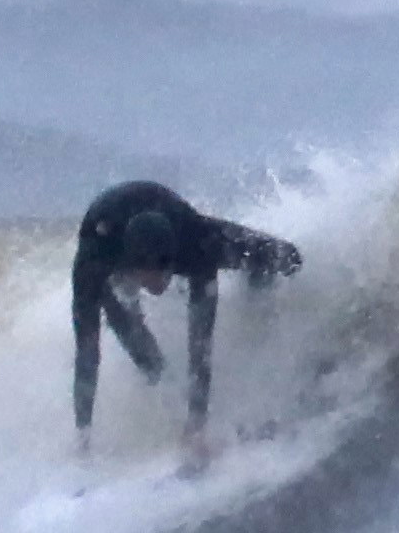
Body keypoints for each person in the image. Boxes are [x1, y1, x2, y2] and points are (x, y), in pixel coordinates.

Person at [71, 180, 301, 466]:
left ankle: (257, 323)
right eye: (149, 275)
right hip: (105, 230)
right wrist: (83, 433)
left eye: (163, 273)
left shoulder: (198, 248)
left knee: (285, 257)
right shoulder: (94, 262)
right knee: (135, 341)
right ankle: (167, 406)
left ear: (174, 263)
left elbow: (200, 339)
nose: (158, 285)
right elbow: (86, 351)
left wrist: (197, 421)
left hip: (179, 221)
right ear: (131, 266)